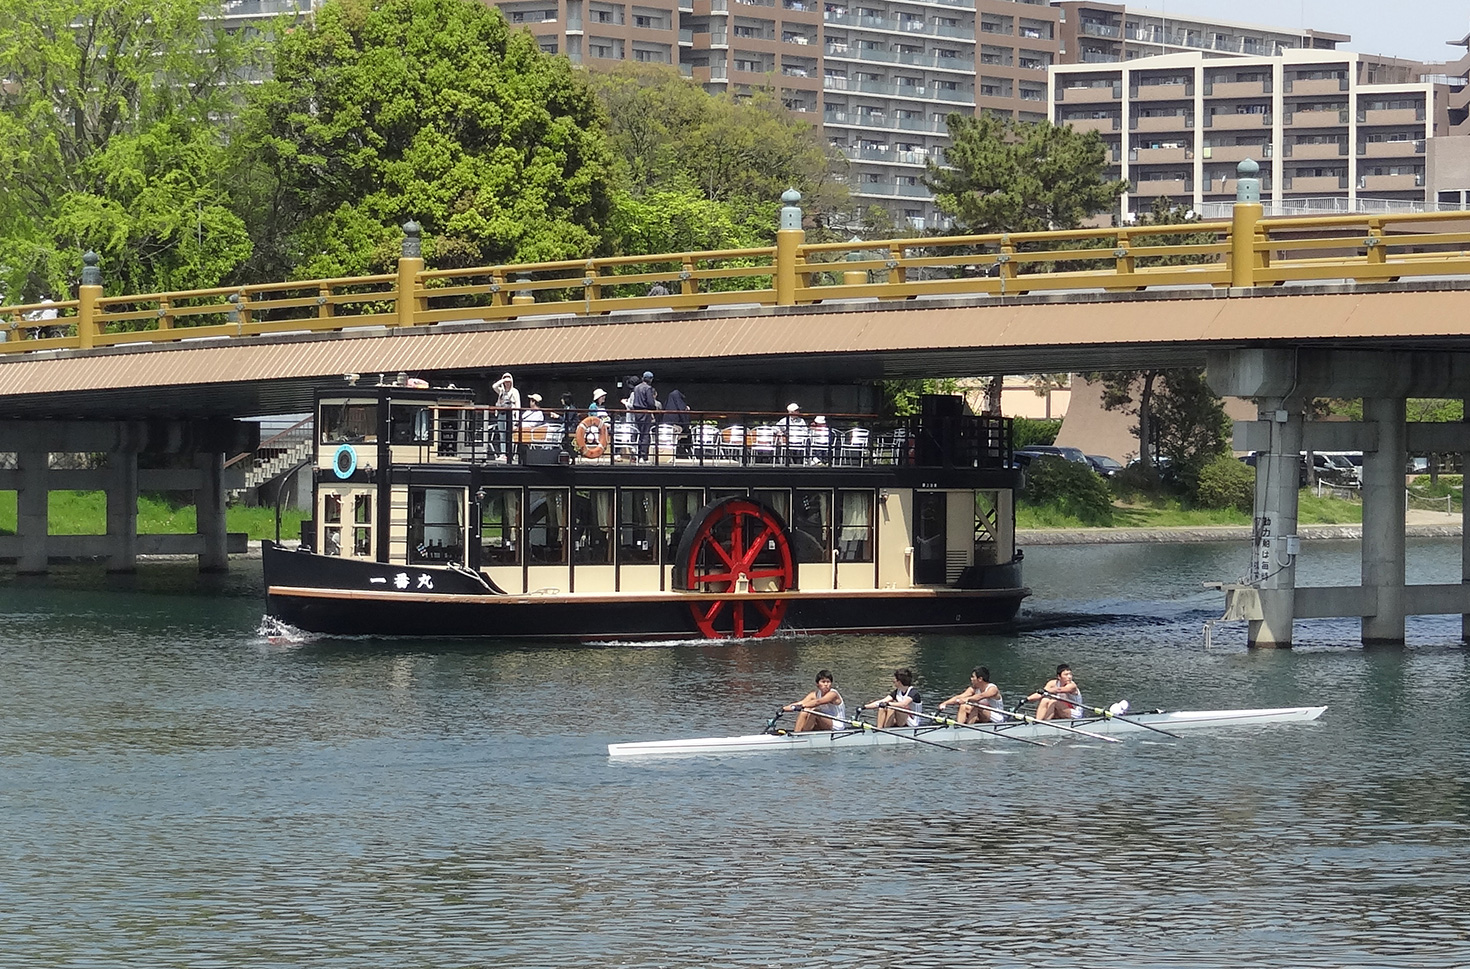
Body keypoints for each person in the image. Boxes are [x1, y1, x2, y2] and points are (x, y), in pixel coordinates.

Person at [782, 669, 846, 732]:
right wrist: (783, 709)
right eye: (823, 682)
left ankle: (803, 734)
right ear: (817, 684)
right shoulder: (814, 694)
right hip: (824, 722)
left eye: (828, 682)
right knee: (804, 712)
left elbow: (818, 702)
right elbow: (800, 703)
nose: (826, 684)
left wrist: (802, 706)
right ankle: (796, 734)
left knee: (814, 712)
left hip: (837, 725)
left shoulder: (833, 694)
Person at [938, 666, 1004, 724]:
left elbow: (980, 696)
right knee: (963, 706)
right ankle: (959, 726)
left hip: (997, 718)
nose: (971, 679)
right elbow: (959, 697)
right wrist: (945, 703)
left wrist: (967, 699)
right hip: (982, 716)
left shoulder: (993, 689)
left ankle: (969, 728)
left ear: (980, 679)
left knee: (976, 706)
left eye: (973, 677)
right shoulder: (974, 688)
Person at [631, 370, 658, 461]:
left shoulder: (636, 388)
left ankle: (638, 455)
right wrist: (654, 409)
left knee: (639, 434)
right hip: (645, 412)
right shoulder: (648, 388)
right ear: (650, 379)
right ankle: (643, 456)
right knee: (645, 435)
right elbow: (650, 402)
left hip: (637, 413)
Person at [492, 372, 520, 458]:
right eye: (506, 381)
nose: (507, 383)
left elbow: (518, 405)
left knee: (510, 435)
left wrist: (517, 419)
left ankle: (510, 454)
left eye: (509, 381)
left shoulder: (515, 391)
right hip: (501, 414)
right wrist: (503, 380)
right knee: (502, 435)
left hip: (511, 415)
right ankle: (503, 454)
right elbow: (494, 386)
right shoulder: (501, 391)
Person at [664, 387, 692, 457]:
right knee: (686, 432)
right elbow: (683, 416)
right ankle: (685, 451)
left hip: (665, 429)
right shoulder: (680, 405)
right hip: (675, 428)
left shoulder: (667, 406)